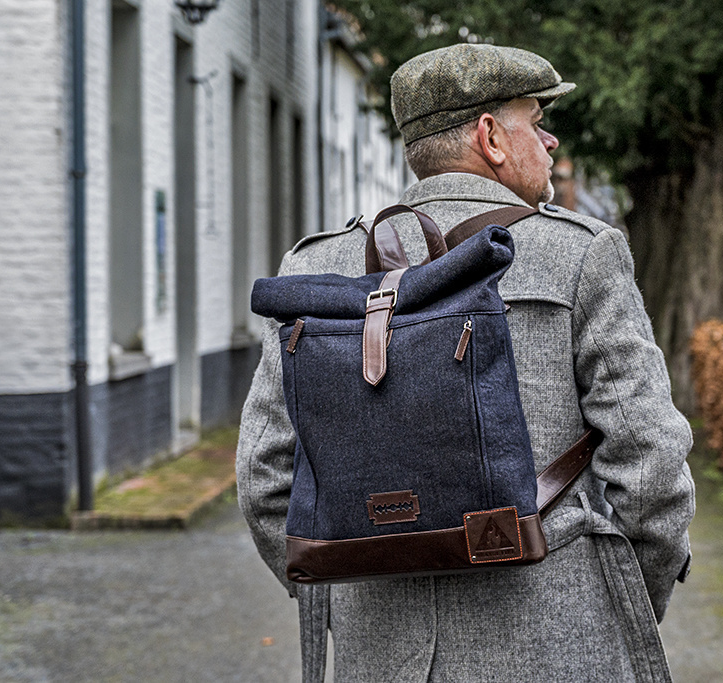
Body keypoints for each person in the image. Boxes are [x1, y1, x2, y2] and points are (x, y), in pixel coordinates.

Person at [236, 43, 695, 682]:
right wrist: (620, 603)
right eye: (536, 120)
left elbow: (264, 477)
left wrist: (352, 590)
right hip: (558, 646)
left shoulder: (317, 268)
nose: (551, 140)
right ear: (492, 138)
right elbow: (651, 470)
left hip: (382, 655)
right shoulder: (580, 257)